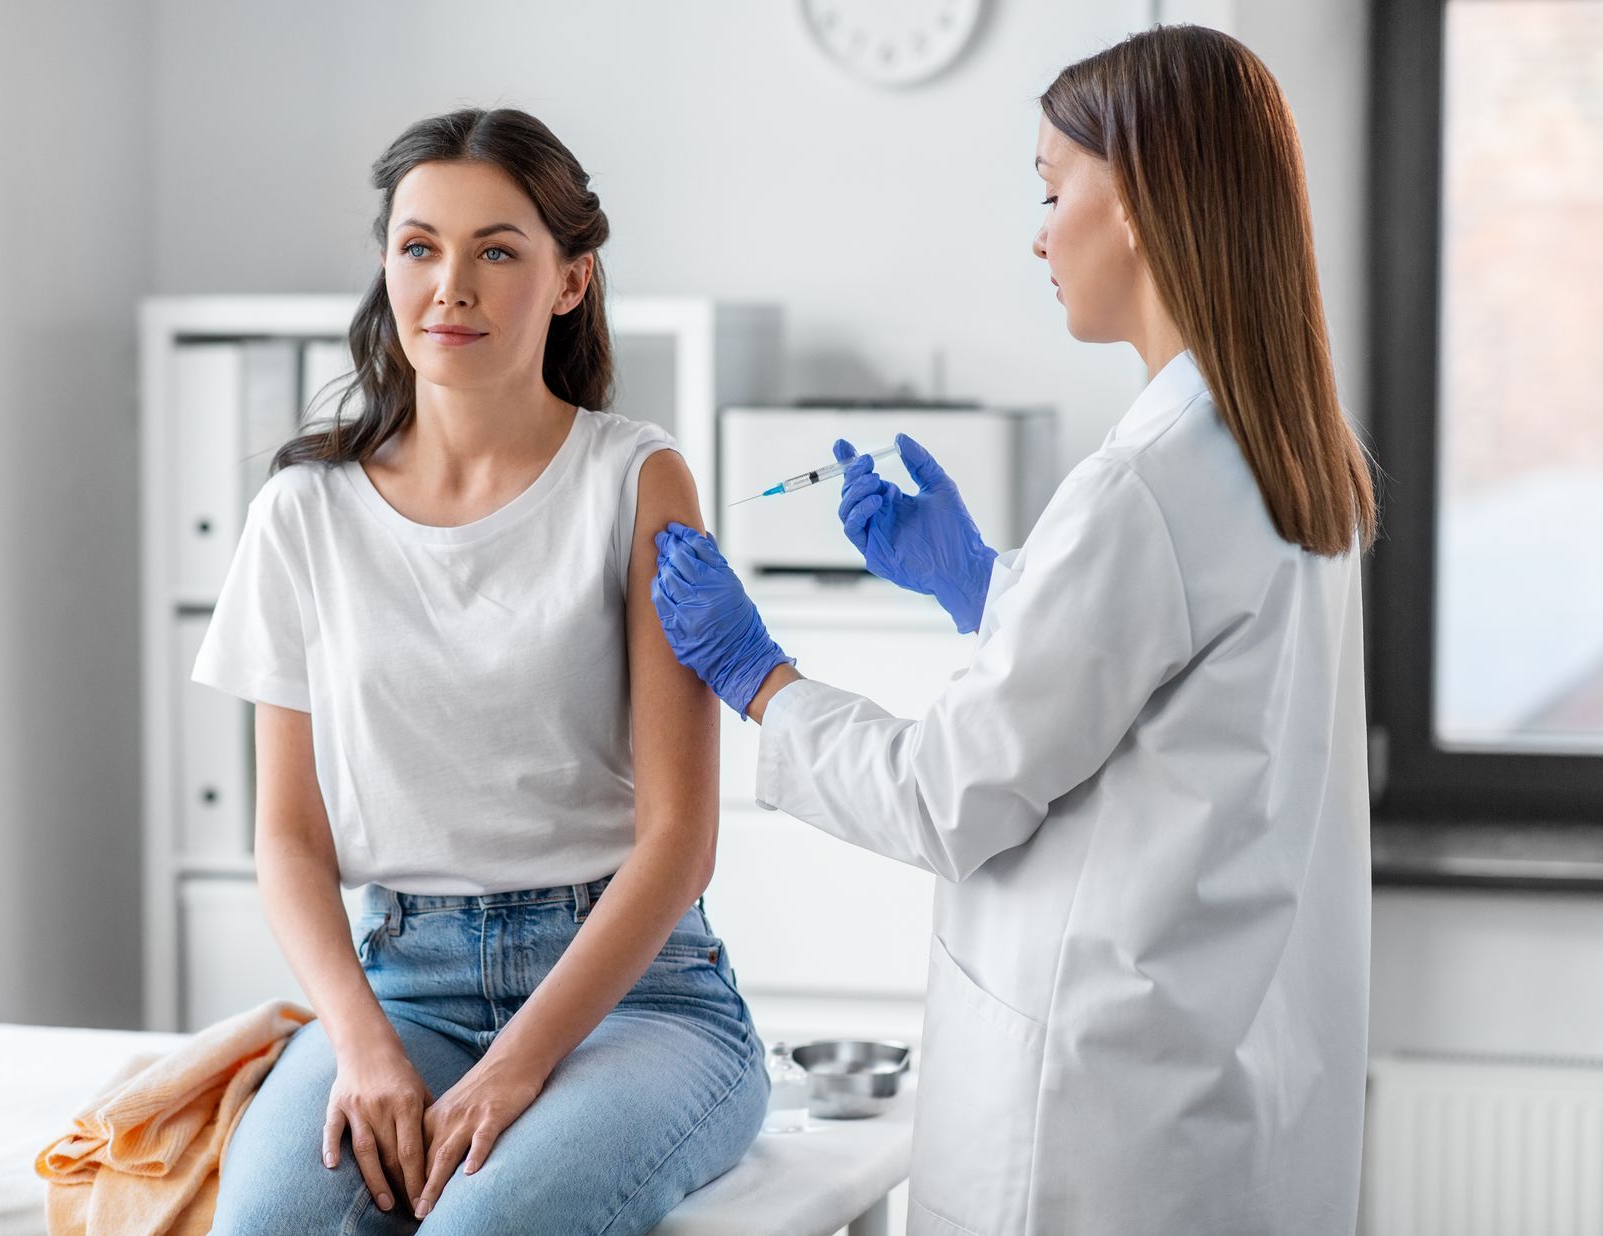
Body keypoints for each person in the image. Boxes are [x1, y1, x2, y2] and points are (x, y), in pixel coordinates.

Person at [651, 25, 1379, 1236]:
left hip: (1094, 1128)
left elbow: (948, 795)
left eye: (1053, 189)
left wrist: (758, 675)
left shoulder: (1142, 485)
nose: (1038, 233)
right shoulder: (1282, 449)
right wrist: (983, 588)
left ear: (1140, 197)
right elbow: (1168, 717)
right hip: (1226, 1090)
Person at [193, 108, 766, 1235]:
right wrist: (357, 1045)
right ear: (387, 265)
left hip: (636, 1002)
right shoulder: (302, 511)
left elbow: (679, 843)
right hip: (404, 986)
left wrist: (517, 1068)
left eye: (497, 250)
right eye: (420, 247)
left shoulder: (635, 479)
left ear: (569, 280)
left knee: (479, 1226)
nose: (449, 284)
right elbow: (289, 840)